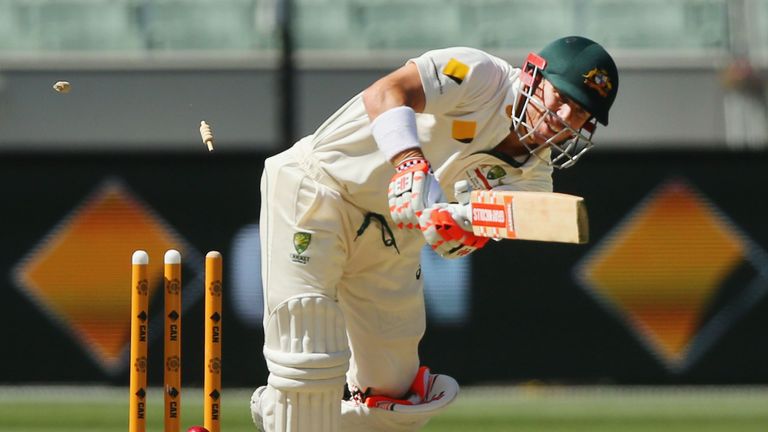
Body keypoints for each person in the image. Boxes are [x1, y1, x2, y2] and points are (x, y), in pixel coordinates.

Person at [251, 35, 619, 432]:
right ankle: (293, 408)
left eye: (580, 112)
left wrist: (456, 232)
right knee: (308, 361)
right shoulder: (480, 75)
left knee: (395, 402)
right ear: (533, 75)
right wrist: (410, 163)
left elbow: (462, 234)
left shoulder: (533, 183)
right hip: (320, 189)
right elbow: (386, 93)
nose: (564, 115)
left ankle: (291, 417)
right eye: (559, 96)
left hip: (394, 235)